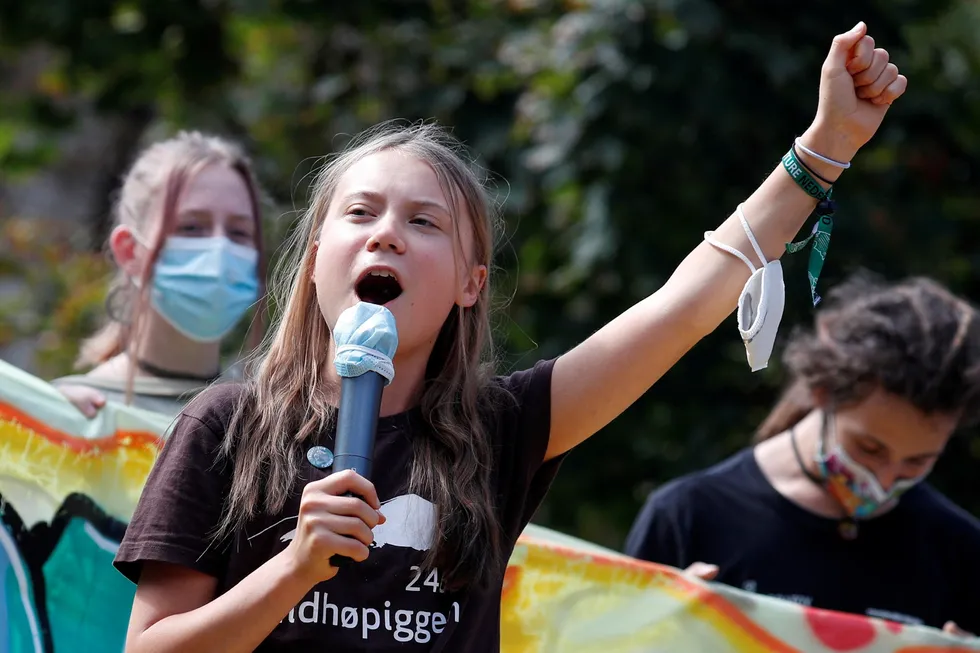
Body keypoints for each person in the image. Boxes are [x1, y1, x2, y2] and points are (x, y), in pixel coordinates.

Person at [113, 22, 907, 652]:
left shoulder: (502, 430)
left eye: (423, 222)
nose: (386, 235)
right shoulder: (223, 425)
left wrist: (825, 148)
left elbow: (682, 305)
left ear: (470, 284)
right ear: (317, 259)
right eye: (359, 213)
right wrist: (293, 568)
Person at [624, 272, 980, 636]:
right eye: (869, 448)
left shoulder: (961, 550)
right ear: (822, 391)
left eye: (917, 461)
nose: (884, 480)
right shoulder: (689, 515)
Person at [52, 131, 268, 419]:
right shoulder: (67, 411)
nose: (220, 248)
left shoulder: (264, 422)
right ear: (130, 251)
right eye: (191, 227)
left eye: (239, 232)